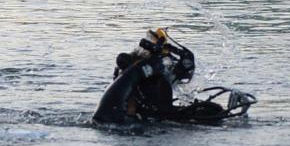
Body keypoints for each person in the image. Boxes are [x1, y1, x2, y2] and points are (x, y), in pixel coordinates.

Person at [92, 28, 256, 125]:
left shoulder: (159, 119)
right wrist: (147, 66)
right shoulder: (111, 120)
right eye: (160, 85)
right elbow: (112, 101)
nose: (166, 90)